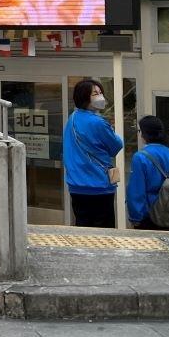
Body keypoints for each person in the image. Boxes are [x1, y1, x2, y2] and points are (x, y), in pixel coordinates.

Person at [62, 78, 122, 228]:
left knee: (83, 228)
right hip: (99, 186)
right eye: (95, 94)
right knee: (103, 231)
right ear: (84, 97)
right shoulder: (98, 122)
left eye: (100, 92)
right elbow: (116, 146)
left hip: (76, 186)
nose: (100, 97)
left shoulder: (72, 118)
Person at [127, 116, 169, 229]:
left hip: (149, 214)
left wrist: (136, 217)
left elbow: (136, 191)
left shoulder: (140, 157)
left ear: (144, 133)